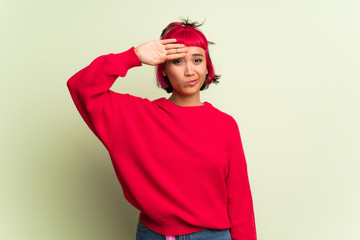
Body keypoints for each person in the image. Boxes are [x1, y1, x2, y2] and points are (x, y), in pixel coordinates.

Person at [67, 19, 257, 240]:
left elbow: (240, 199)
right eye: (177, 61)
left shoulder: (225, 125)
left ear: (207, 67)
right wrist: (134, 56)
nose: (189, 70)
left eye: (197, 60)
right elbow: (80, 86)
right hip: (155, 235)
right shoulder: (137, 116)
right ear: (164, 70)